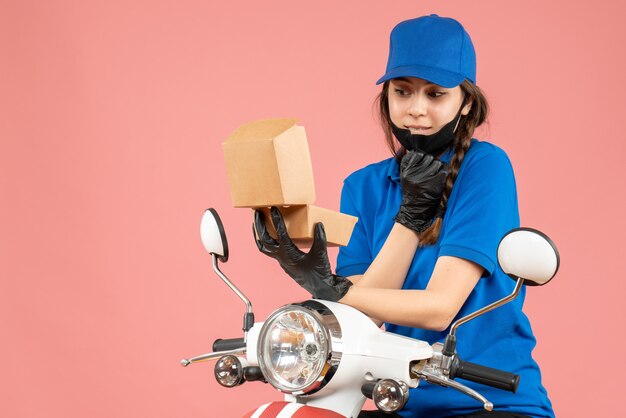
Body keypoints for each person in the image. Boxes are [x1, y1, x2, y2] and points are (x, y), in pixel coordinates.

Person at [253, 14, 554, 418]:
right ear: (387, 96)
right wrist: (407, 221)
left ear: (465, 102)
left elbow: (440, 307)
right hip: (400, 398)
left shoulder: (485, 168)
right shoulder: (363, 185)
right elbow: (365, 313)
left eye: (435, 94)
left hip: (486, 399)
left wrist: (331, 289)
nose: (416, 109)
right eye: (403, 91)